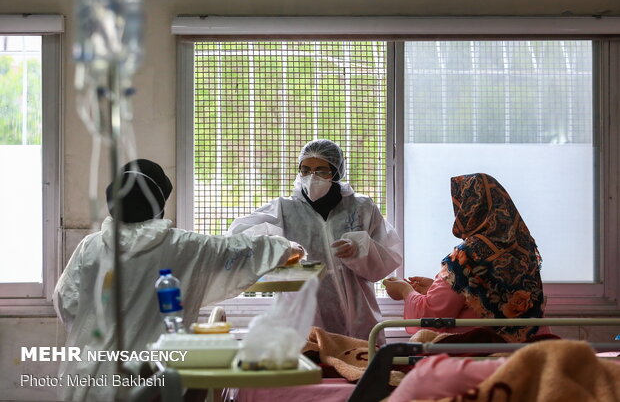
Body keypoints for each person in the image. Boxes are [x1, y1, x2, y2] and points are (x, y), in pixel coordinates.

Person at [53, 159, 304, 401]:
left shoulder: (91, 246)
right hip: (152, 375)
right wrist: (288, 248)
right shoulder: (182, 246)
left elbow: (67, 301)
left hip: (91, 374)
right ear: (158, 201)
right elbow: (239, 250)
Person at [228, 139, 402, 341]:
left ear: (337, 172)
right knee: (311, 361)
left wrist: (360, 248)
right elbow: (238, 238)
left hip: (358, 313)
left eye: (321, 170)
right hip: (303, 314)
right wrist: (277, 249)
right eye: (305, 170)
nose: (312, 177)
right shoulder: (284, 209)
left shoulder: (361, 207)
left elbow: (389, 254)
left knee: (359, 362)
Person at [383, 173, 546, 342]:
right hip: (529, 350)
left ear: (470, 209)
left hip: (480, 354)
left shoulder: (467, 255)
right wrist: (435, 287)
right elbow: (485, 295)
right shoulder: (523, 250)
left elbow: (432, 316)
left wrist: (405, 291)